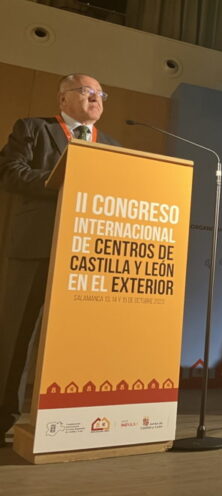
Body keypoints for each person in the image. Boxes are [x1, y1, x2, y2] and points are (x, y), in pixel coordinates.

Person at [0, 73, 119, 443]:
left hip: (87, 255)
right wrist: (63, 180)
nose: (96, 98)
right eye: (87, 91)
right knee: (17, 335)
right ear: (63, 98)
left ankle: (71, 420)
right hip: (36, 246)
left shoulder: (112, 145)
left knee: (80, 338)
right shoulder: (33, 129)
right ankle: (3, 417)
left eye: (101, 94)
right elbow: (10, 172)